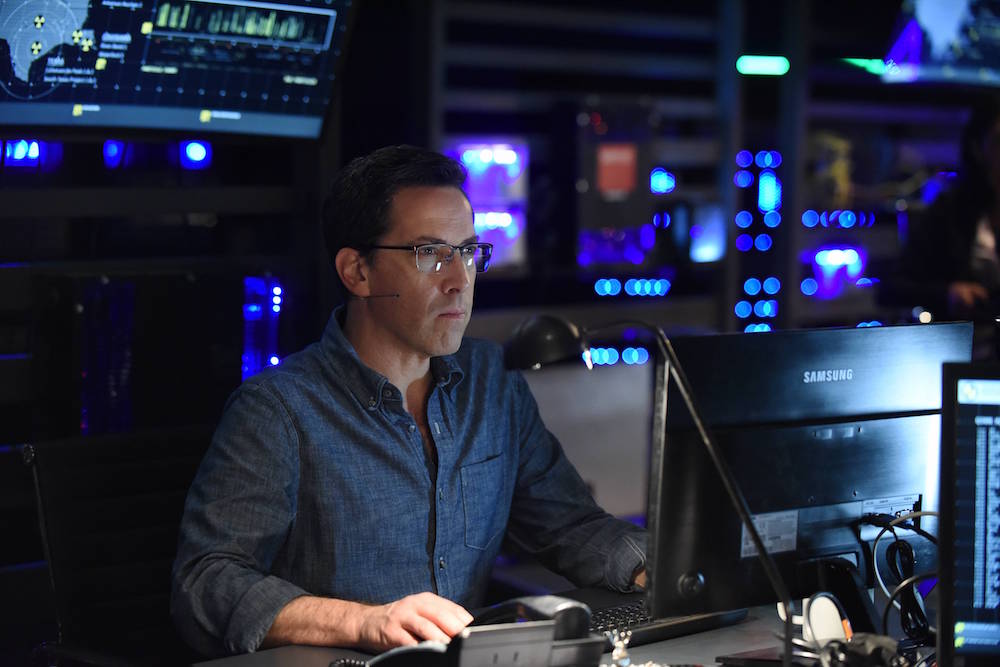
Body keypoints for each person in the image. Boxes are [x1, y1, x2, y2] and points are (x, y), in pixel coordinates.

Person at [170, 145, 648, 657]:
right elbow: (205, 582)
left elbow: (570, 525)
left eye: (468, 251)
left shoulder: (493, 381)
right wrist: (364, 622)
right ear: (357, 272)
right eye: (430, 254)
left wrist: (658, 565)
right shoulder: (277, 410)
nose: (459, 280)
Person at [892, 95, 1000, 355]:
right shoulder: (950, 210)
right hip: (962, 353)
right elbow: (892, 288)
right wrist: (948, 293)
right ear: (978, 148)